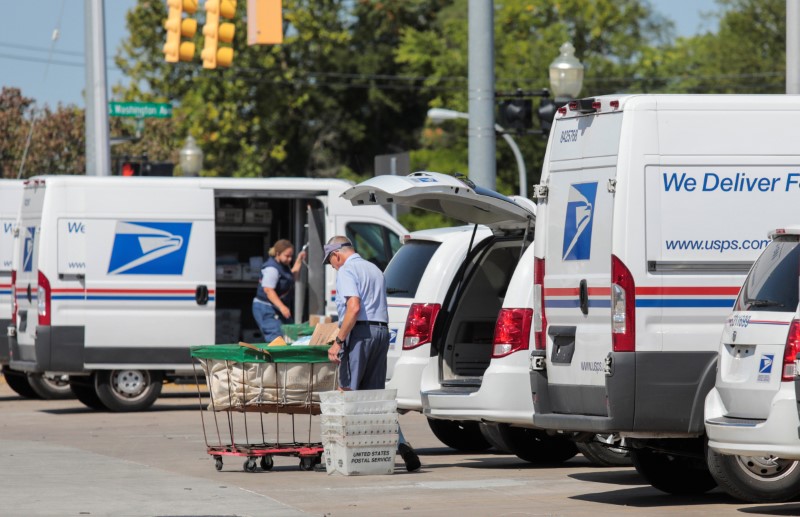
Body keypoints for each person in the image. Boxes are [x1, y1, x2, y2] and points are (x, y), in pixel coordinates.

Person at [323, 235, 421, 472]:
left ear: (337, 254)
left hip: (360, 333)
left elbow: (354, 307)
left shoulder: (347, 270)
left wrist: (338, 341)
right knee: (375, 399)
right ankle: (401, 444)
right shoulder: (375, 269)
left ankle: (343, 455)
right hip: (381, 332)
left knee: (348, 393)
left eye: (331, 261)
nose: (333, 266)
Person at [252, 239, 306, 343]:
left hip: (276, 308)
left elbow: (291, 276)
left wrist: (299, 260)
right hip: (266, 308)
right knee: (276, 338)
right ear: (277, 253)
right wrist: (282, 307)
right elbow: (268, 290)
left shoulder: (283, 266)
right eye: (287, 256)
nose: (289, 259)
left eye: (291, 256)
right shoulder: (272, 268)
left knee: (291, 334)